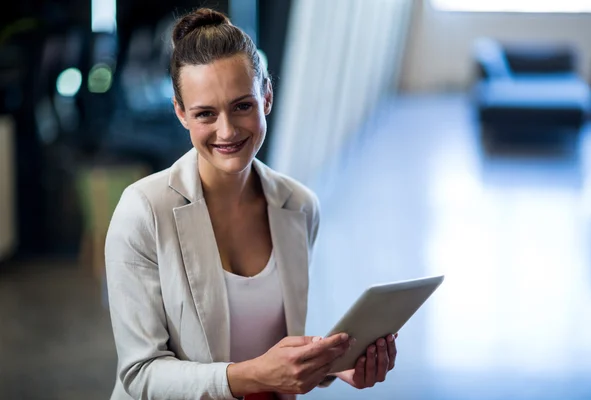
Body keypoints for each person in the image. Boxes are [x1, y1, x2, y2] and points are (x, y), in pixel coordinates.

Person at [105, 7, 397, 400]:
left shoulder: (299, 206)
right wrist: (249, 376)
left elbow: (271, 350)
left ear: (267, 98)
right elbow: (140, 374)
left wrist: (333, 367)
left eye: (242, 106)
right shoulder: (143, 211)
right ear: (181, 113)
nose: (227, 131)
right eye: (205, 114)